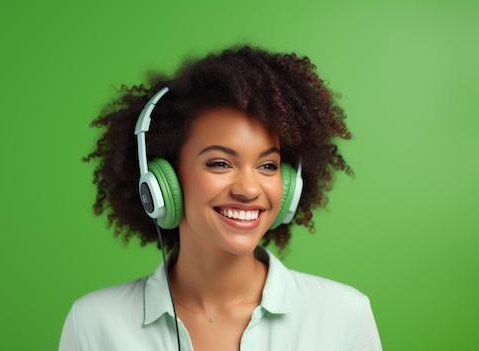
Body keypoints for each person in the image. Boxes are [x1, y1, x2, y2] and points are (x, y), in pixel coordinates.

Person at [59, 44, 382, 351]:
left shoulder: (343, 316)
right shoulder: (94, 323)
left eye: (268, 165)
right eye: (220, 163)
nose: (249, 189)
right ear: (161, 181)